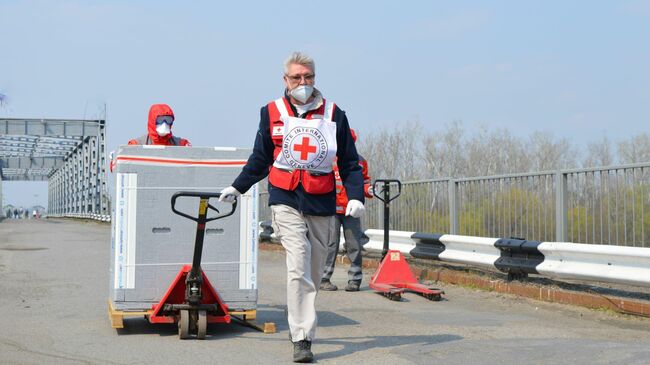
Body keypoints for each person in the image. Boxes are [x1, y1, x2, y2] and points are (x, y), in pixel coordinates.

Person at [219, 52, 365, 363]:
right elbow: (261, 158)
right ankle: (302, 337)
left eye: (308, 77)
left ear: (315, 78)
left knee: (312, 272)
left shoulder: (334, 114)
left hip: (321, 200)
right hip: (285, 197)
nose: (303, 82)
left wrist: (355, 197)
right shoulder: (271, 112)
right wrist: (237, 186)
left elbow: (350, 163)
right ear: (286, 80)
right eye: (297, 77)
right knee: (299, 265)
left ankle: (300, 322)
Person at [320, 129, 373, 292]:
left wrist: (368, 190)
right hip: (331, 209)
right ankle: (324, 278)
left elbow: (364, 182)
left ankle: (355, 280)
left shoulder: (360, 161)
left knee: (354, 243)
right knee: (330, 244)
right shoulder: (328, 160)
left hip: (351, 210)